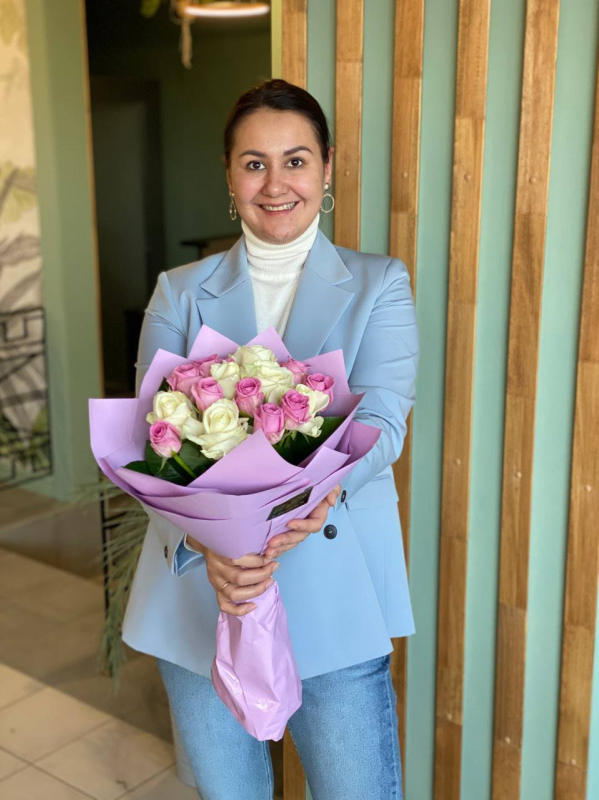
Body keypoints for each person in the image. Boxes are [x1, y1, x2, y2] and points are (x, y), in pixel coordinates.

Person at [122, 79, 419, 800]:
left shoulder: (380, 283)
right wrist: (210, 546)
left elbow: (382, 423)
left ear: (326, 168)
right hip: (203, 594)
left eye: (296, 160)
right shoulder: (179, 291)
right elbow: (148, 438)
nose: (276, 183)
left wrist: (306, 506)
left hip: (335, 582)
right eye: (254, 163)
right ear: (230, 176)